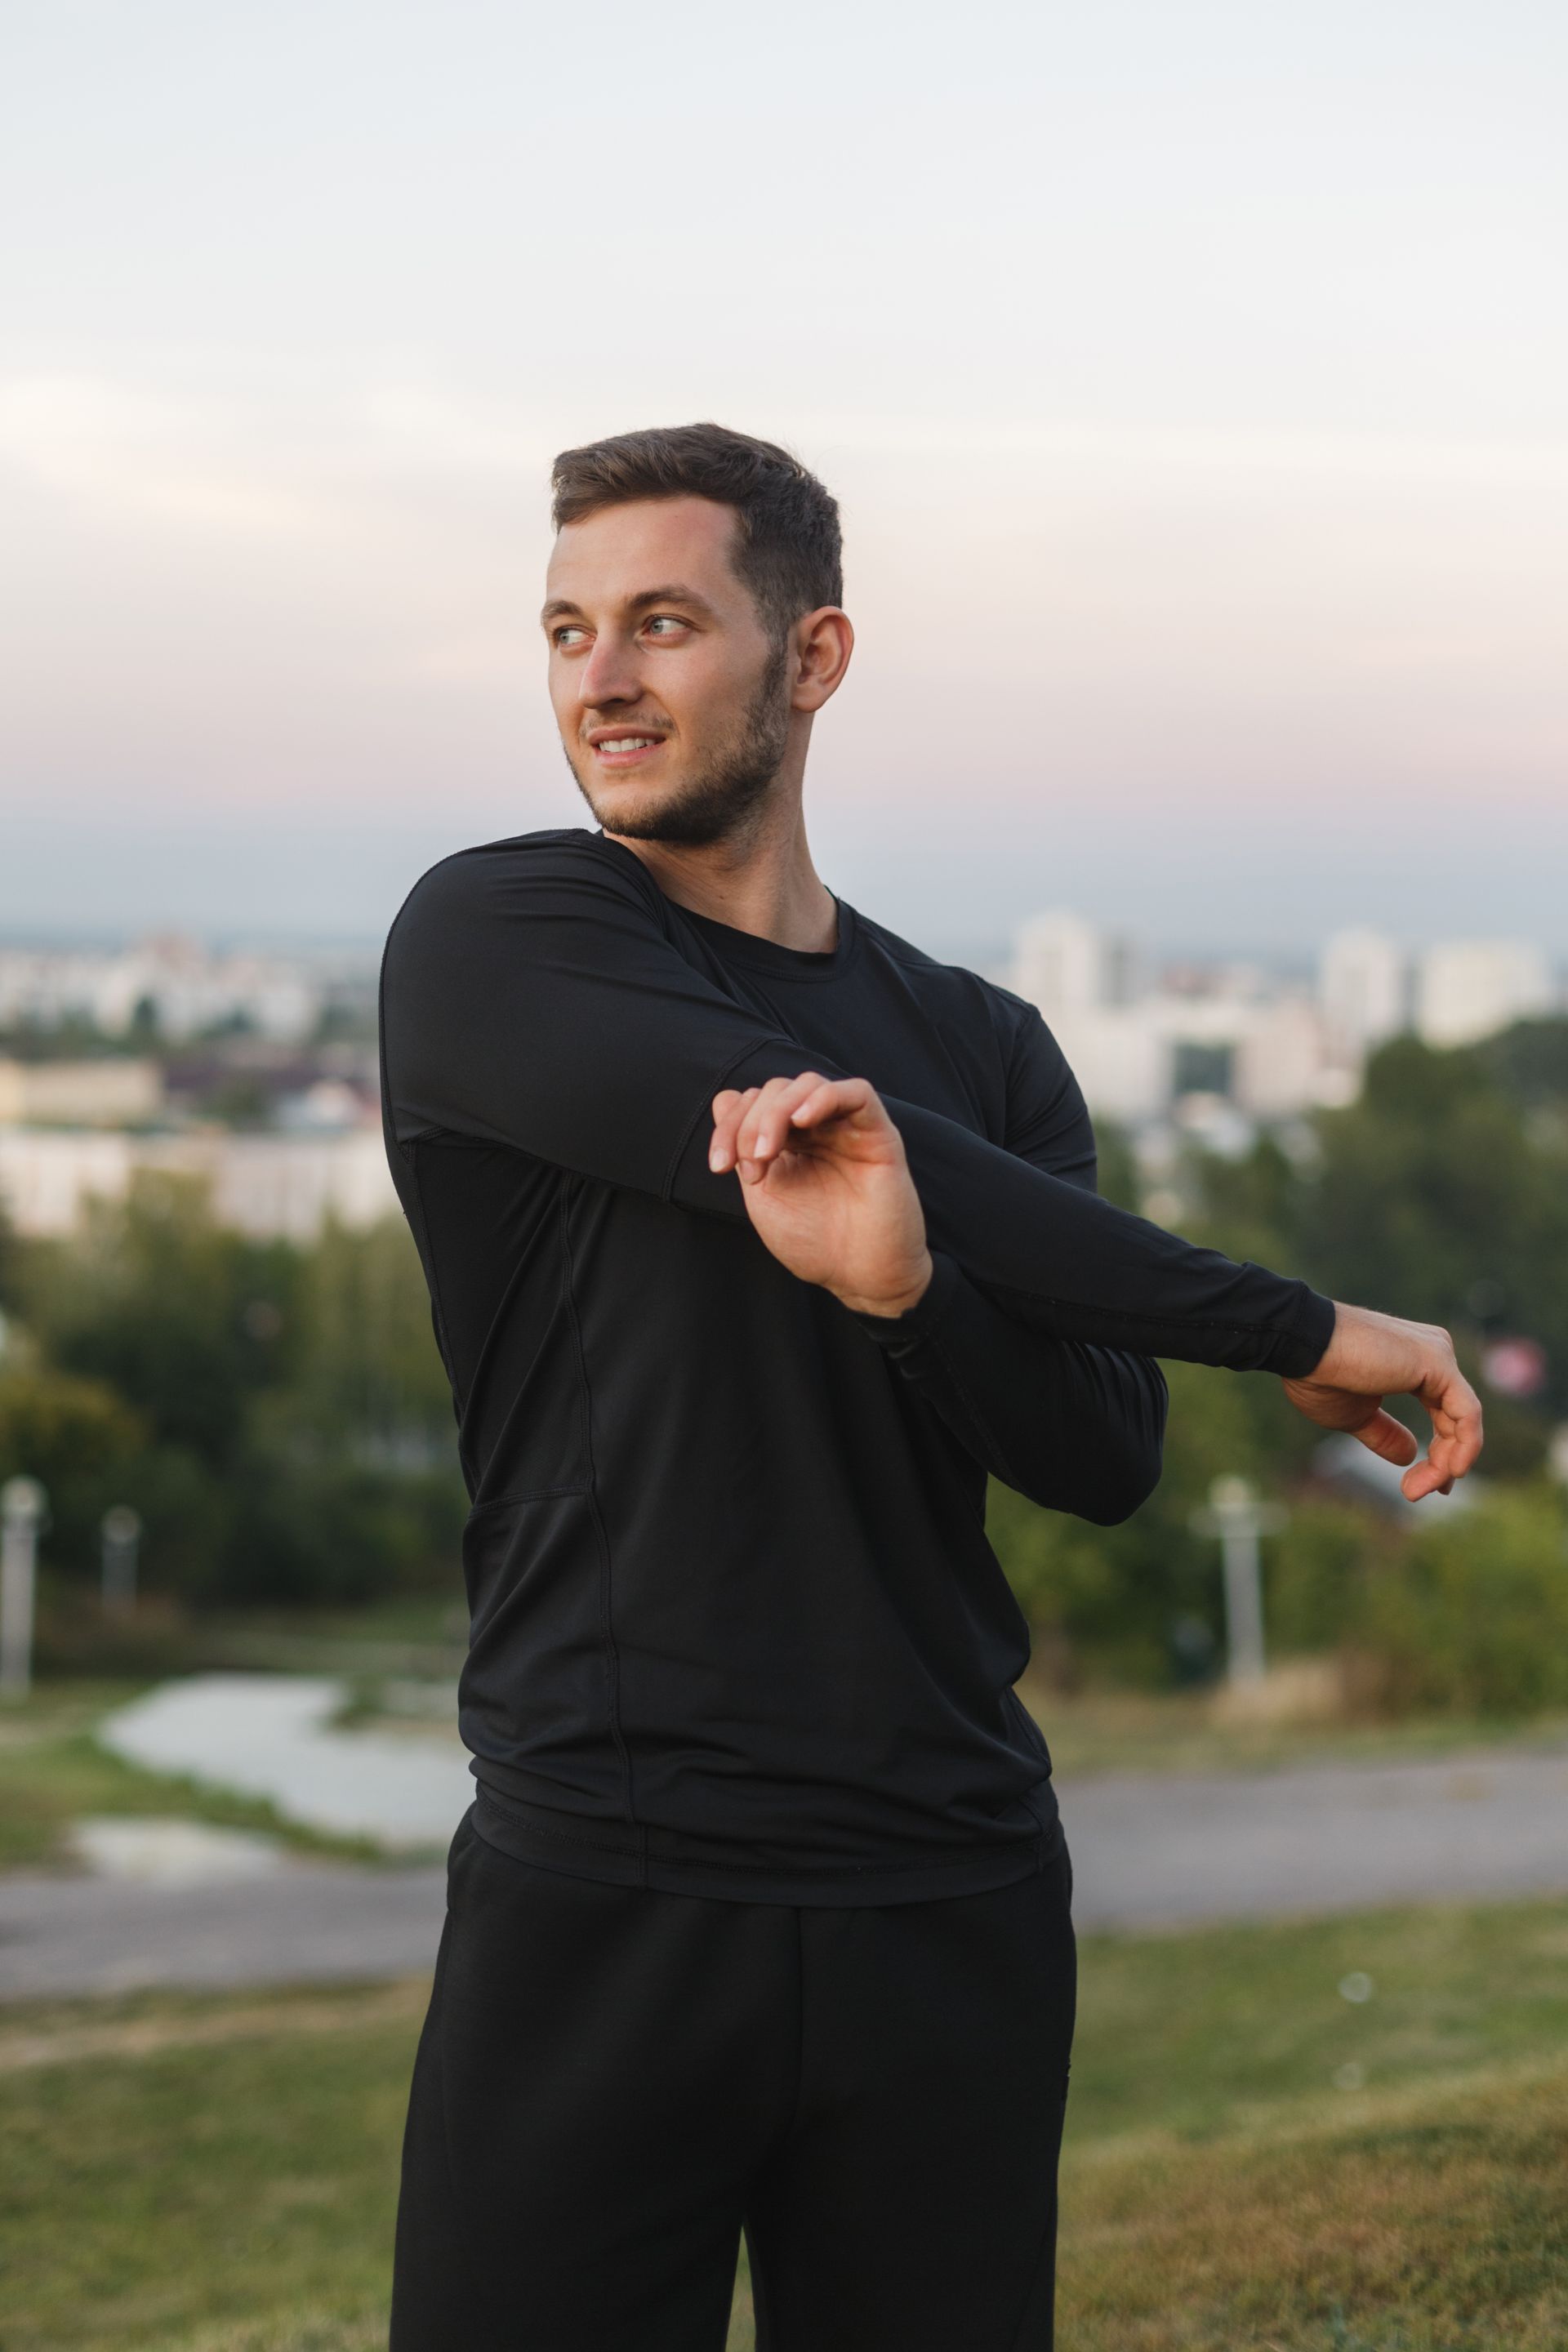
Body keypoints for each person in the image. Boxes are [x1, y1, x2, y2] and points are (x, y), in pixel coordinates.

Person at [378, 423, 1482, 2351]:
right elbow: (918, 1166)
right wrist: (1297, 1324)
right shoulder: (500, 939)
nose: (601, 680)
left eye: (660, 622)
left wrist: (914, 1301)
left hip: (948, 1893)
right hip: (611, 1885)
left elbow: (1103, 1450)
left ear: (812, 658)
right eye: (565, 632)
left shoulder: (983, 1041)